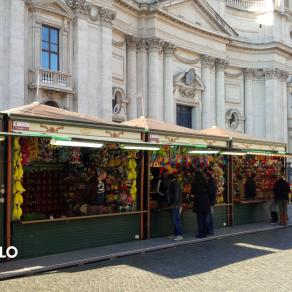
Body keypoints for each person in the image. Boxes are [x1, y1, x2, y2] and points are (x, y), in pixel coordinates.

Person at [192, 171, 210, 238]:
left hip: (198, 202)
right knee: (204, 219)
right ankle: (204, 233)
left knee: (199, 220)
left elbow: (192, 192)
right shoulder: (205, 182)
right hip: (206, 202)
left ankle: (201, 233)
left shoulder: (195, 183)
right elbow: (208, 191)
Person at [167, 173, 183, 241]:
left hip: (176, 205)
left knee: (176, 219)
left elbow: (176, 195)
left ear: (170, 179)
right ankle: (175, 234)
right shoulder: (175, 183)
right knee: (175, 220)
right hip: (176, 204)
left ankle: (179, 234)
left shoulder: (175, 184)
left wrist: (173, 203)